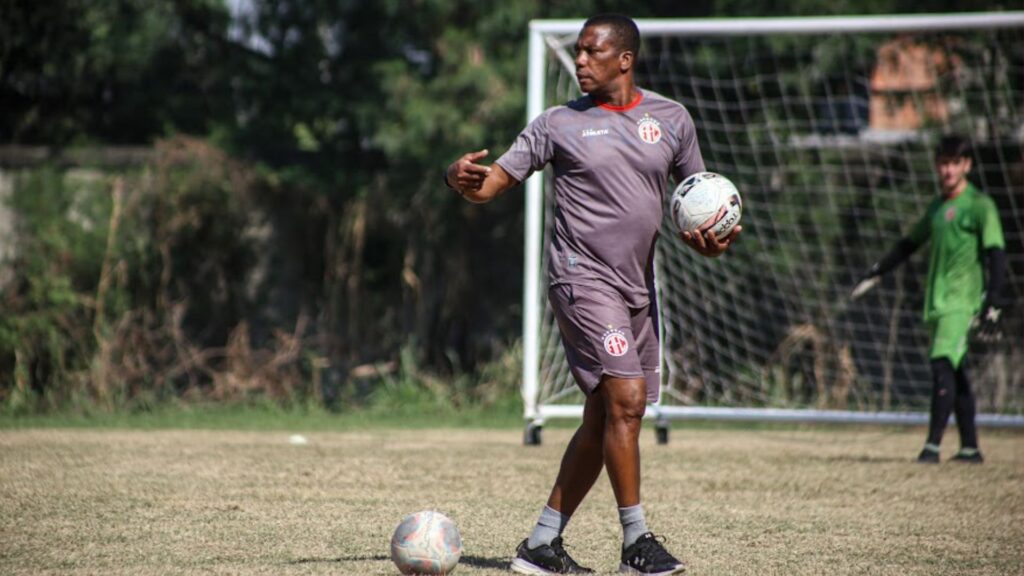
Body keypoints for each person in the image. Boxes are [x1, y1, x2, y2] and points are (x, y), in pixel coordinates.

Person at [445, 14, 740, 575]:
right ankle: (637, 543)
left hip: (637, 288)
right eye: (577, 51)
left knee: (603, 415)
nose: (579, 61)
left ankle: (540, 545)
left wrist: (713, 244)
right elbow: (491, 185)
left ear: (624, 59)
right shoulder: (557, 124)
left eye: (591, 52)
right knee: (627, 399)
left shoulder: (671, 119)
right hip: (581, 278)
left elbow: (700, 204)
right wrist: (457, 178)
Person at [854, 134, 1006, 464]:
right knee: (956, 370)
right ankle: (970, 448)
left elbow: (996, 254)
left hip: (962, 302)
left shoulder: (980, 206)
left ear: (966, 165)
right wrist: (876, 271)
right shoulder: (938, 207)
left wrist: (993, 301)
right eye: (943, 163)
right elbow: (909, 244)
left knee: (941, 366)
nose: (948, 170)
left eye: (954, 163)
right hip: (937, 303)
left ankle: (932, 447)